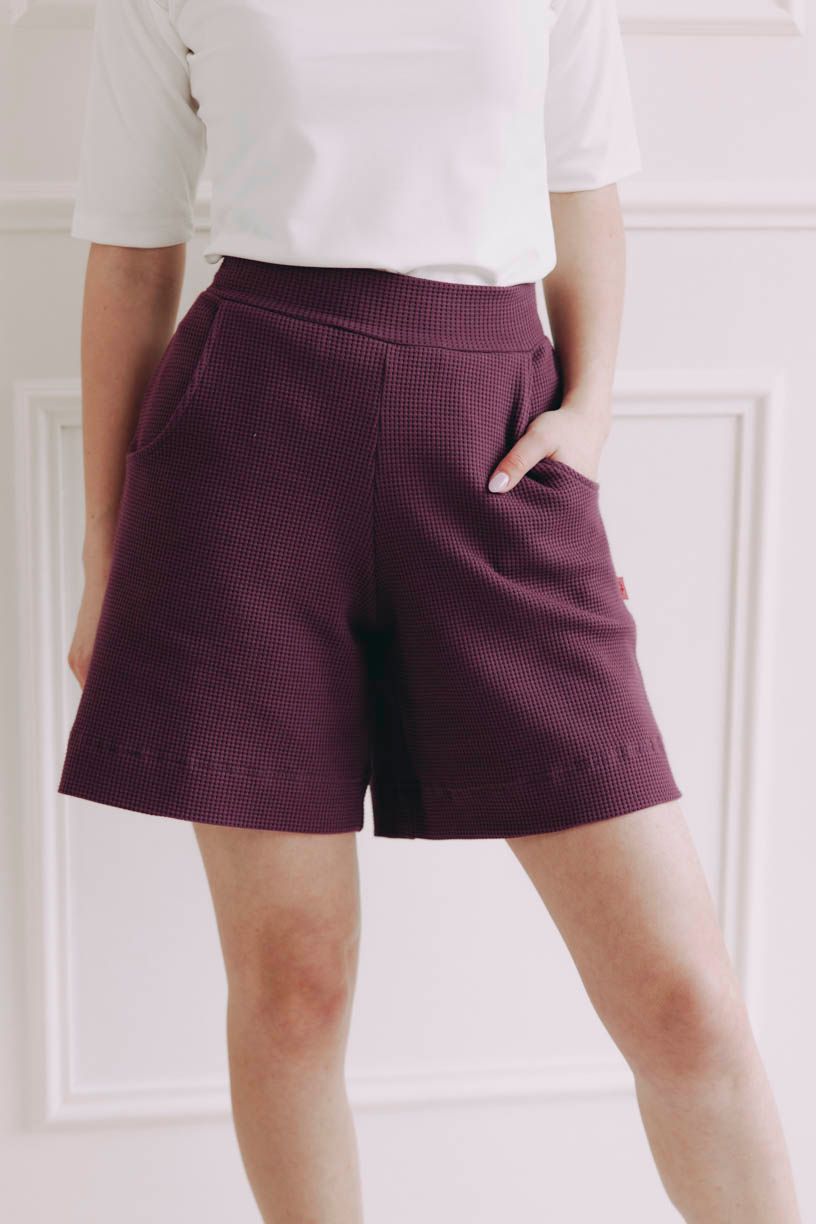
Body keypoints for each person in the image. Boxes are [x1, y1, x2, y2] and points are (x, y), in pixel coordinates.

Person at [58, 0, 801, 1219]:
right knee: (295, 986)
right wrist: (105, 548)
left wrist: (590, 416)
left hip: (494, 444)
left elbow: (583, 186)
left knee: (680, 998)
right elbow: (133, 256)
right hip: (246, 455)